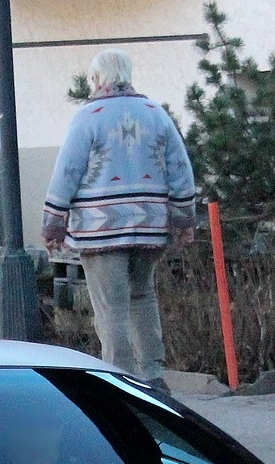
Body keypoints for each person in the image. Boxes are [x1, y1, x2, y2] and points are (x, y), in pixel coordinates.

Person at [40, 50, 197, 383]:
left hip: (101, 231)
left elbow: (67, 172)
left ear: (98, 79)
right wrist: (183, 220)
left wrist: (53, 222)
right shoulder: (157, 114)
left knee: (112, 308)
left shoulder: (88, 117)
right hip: (150, 226)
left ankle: (121, 381)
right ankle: (154, 375)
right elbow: (181, 171)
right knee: (143, 296)